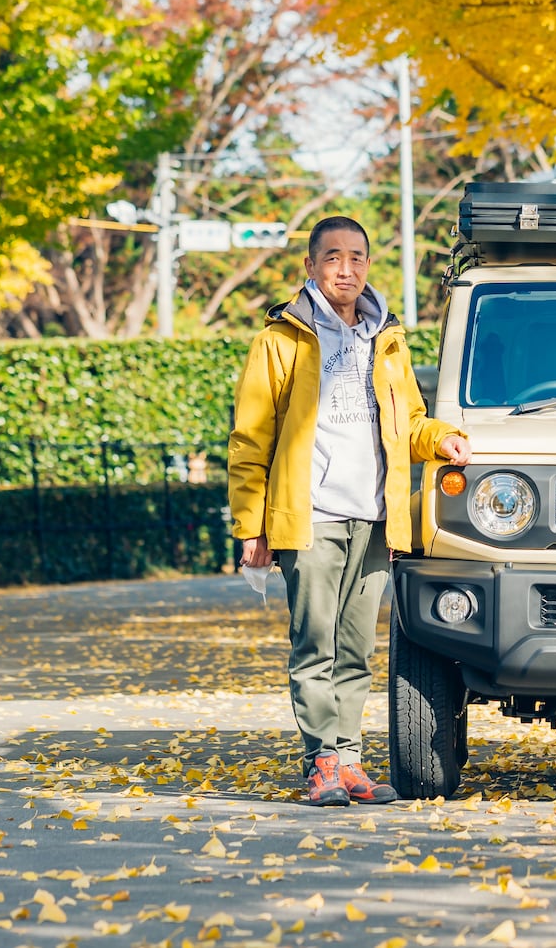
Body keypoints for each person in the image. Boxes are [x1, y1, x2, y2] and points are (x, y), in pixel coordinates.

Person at [228, 215, 472, 806]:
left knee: (357, 650)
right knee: (316, 645)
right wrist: (251, 527)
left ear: (368, 265)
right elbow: (250, 438)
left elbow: (408, 420)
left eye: (357, 257)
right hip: (308, 513)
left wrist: (439, 438)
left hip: (375, 516)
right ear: (310, 267)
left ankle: (351, 763)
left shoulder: (385, 338)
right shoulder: (280, 340)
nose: (346, 268)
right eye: (332, 257)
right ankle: (321, 763)